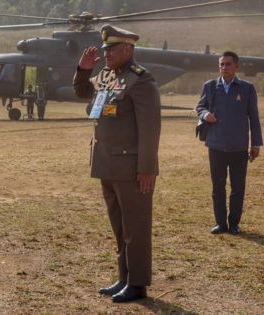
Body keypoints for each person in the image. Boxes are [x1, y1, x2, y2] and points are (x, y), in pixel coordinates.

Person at [73, 24, 161, 303]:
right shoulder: (107, 75)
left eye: (111, 48)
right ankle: (124, 277)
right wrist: (84, 69)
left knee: (136, 227)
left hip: (131, 166)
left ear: (128, 49)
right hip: (106, 163)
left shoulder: (141, 80)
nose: (106, 53)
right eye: (104, 49)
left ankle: (138, 284)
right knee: (120, 226)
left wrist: (147, 168)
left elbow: (150, 128)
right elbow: (82, 92)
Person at [196, 51, 263, 235]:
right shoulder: (210, 86)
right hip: (216, 145)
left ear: (236, 66)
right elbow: (200, 107)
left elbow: (254, 118)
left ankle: (234, 224)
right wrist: (205, 114)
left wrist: (256, 144)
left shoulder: (247, 88)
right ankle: (220, 224)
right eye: (221, 64)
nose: (224, 67)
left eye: (228, 64)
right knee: (218, 186)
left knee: (238, 186)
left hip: (239, 146)